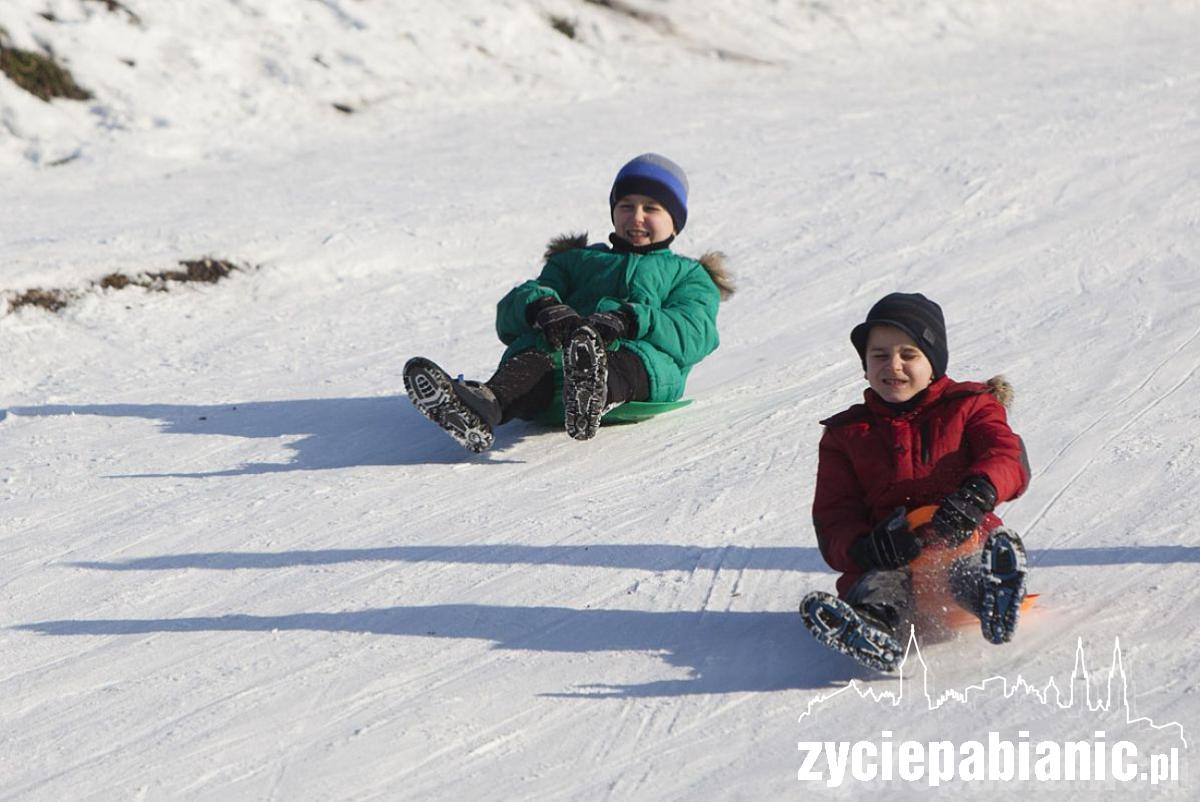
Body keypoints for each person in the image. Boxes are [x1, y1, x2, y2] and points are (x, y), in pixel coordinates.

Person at [404, 153, 733, 453]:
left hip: (637, 376)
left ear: (675, 221)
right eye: (626, 206)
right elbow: (511, 312)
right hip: (562, 360)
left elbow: (696, 333)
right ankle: (484, 406)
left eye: (651, 208)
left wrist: (632, 319)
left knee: (630, 359)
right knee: (532, 360)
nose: (636, 217)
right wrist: (542, 307)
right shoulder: (577, 261)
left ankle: (593, 390)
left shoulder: (688, 275)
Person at [801, 292, 1031, 670]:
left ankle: (993, 595)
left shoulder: (971, 405)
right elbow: (834, 516)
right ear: (865, 366)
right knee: (880, 584)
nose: (894, 366)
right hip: (894, 552)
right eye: (879, 356)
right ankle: (871, 628)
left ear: (933, 363)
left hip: (961, 533)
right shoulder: (846, 435)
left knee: (968, 566)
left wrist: (978, 494)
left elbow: (1007, 456)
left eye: (909, 354)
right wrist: (863, 548)